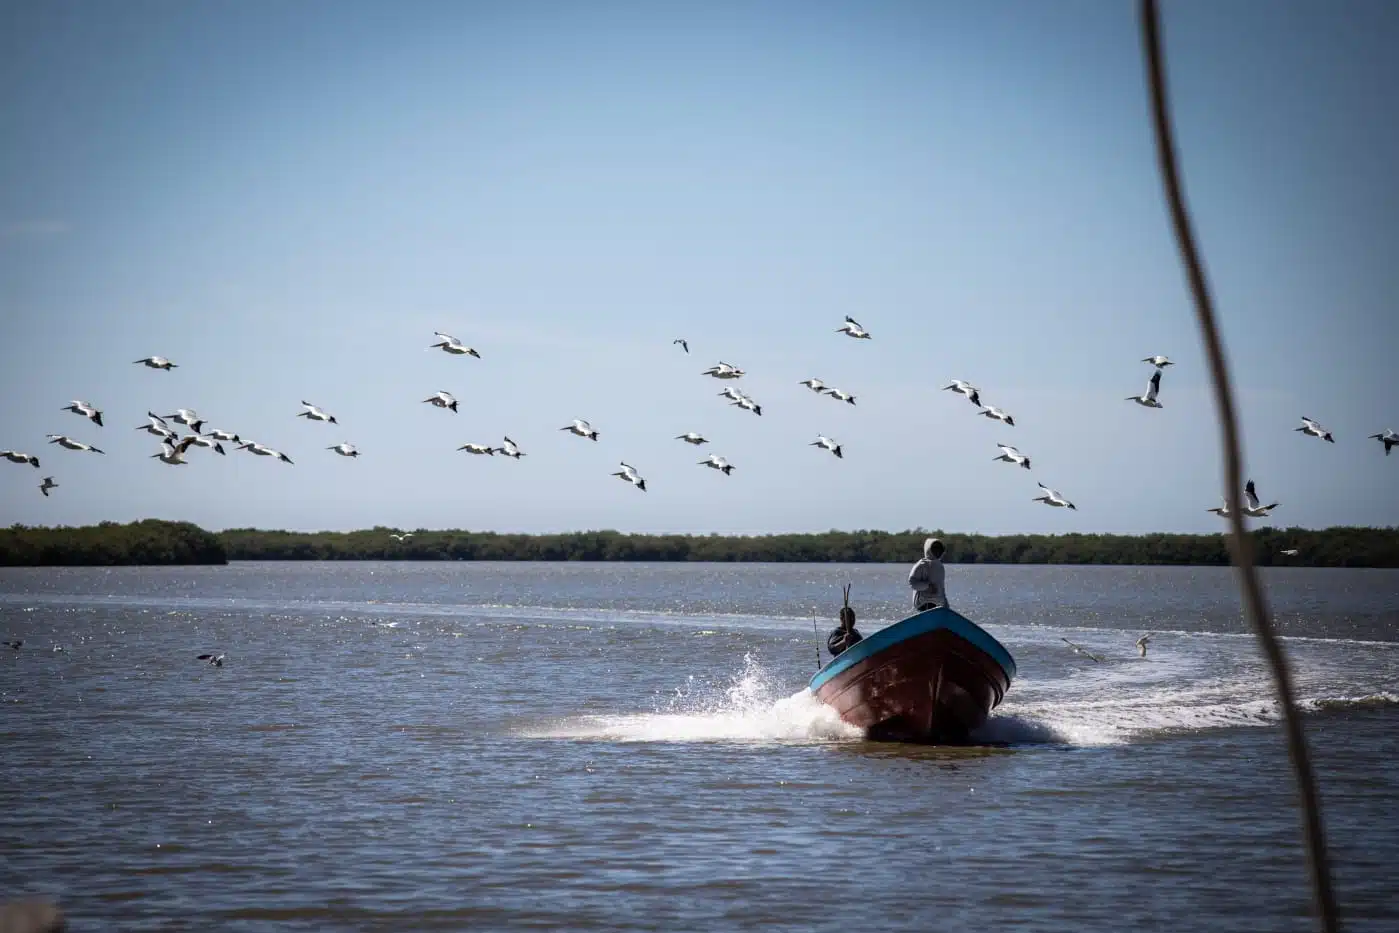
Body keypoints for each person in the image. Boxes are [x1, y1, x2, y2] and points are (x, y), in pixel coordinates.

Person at [908, 537, 948, 611]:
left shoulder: (940, 566)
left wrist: (946, 605)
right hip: (923, 603)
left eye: (939, 549)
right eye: (935, 549)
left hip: (938, 603)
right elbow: (912, 583)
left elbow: (941, 587)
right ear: (929, 549)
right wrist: (927, 586)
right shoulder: (921, 565)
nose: (937, 551)